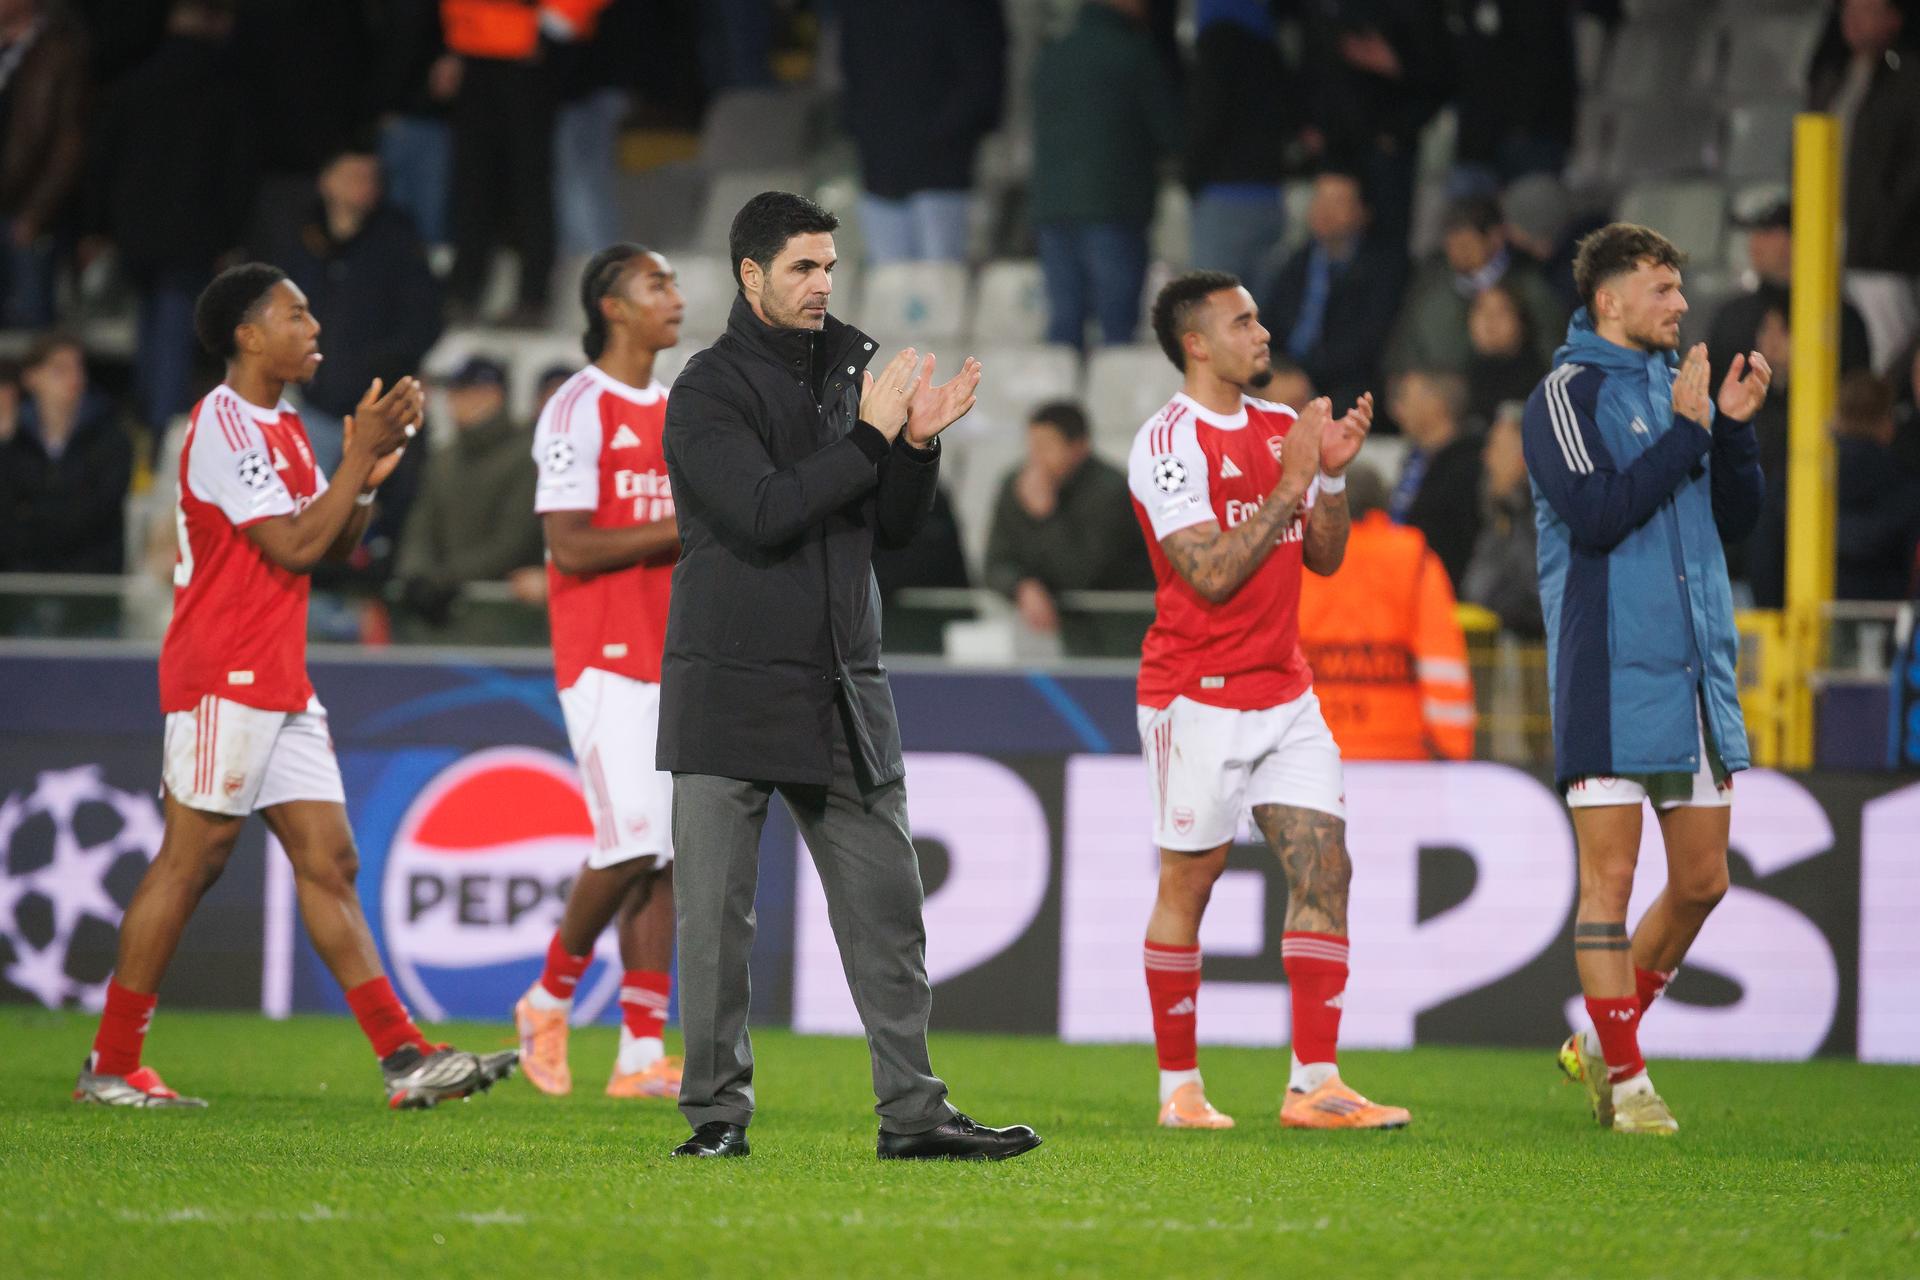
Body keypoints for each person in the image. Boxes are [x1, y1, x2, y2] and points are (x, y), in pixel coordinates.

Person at [75, 263, 517, 1109]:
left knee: (331, 861)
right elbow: (292, 545)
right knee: (191, 861)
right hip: (224, 671)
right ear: (249, 335)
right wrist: (354, 457)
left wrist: (367, 472)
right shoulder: (221, 424)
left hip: (277, 675)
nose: (315, 328)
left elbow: (332, 537)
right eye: (297, 314)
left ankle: (404, 1057)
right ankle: (111, 1064)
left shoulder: (280, 428)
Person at [658, 191, 1039, 1161]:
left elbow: (894, 529)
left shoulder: (854, 368)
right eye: (803, 267)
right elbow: (761, 511)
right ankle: (715, 1115)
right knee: (715, 922)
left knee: (889, 910)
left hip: (840, 683)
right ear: (751, 274)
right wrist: (871, 439)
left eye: (829, 266)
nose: (823, 283)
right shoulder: (705, 390)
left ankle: (913, 1114)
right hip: (731, 680)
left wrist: (915, 447)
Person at [1127, 268, 1409, 1132]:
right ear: (1196, 344)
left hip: (1285, 692)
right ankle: (1180, 1088)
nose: (1263, 334)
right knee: (1191, 882)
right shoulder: (1166, 444)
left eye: (1259, 319)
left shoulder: (1283, 428)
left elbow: (1324, 556)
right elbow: (1209, 574)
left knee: (1327, 864)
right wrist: (1292, 481)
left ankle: (1314, 1083)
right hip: (1195, 697)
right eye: (1242, 323)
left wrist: (1331, 480)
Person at [1521, 223, 1769, 1135]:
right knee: (1612, 878)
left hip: (1694, 671)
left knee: (1702, 881)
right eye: (1661, 288)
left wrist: (1730, 431)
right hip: (1609, 670)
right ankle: (1627, 1085)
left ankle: (1598, 1039)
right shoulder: (1564, 397)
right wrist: (1688, 433)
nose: (1680, 303)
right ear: (1609, 300)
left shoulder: (1680, 390)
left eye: (1678, 286)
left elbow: (1736, 519)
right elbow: (1595, 515)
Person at [512, 244, 689, 1100]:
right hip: (604, 657)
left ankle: (639, 1054)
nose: (675, 296)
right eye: (657, 284)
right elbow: (570, 546)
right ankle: (547, 1000)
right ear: (612, 308)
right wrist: (688, 526)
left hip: (674, 655)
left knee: (664, 857)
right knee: (629, 845)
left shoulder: (676, 409)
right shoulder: (575, 407)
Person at [84, 0, 254, 433]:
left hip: (136, 232)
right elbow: (236, 170)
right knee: (175, 335)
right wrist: (230, 238)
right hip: (192, 236)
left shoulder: (136, 81)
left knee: (151, 328)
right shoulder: (223, 87)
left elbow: (103, 158)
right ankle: (161, 433)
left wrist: (99, 225)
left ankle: (147, 421)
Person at [266, 143, 445, 476]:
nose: (365, 185)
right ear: (327, 181)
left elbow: (424, 318)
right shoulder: (301, 240)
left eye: (371, 177)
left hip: (377, 412)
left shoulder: (397, 242)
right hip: (313, 406)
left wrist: (382, 367)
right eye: (354, 176)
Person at [1029, 0, 1181, 348]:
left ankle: (1064, 387)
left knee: (1063, 331)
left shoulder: (1054, 53)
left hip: (1052, 209)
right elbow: (1171, 132)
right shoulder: (1136, 52)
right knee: (1117, 333)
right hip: (1114, 207)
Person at [1298, 464, 1475, 760]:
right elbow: (1442, 657)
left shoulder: (1297, 555)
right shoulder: (1414, 559)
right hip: (1400, 752)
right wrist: (1452, 749)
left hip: (1309, 747)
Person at [838, 0, 1005, 265]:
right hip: (895, 166)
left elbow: (982, 82)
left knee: (935, 275)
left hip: (933, 167)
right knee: (902, 278)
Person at [1809, 0, 1920, 370]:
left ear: (1894, 18)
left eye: (1867, 10)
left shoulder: (1909, 80)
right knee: (1830, 346)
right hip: (1827, 233)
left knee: (1887, 353)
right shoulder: (1834, 77)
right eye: (1849, 11)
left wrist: (1883, 222)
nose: (1854, 20)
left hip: (1883, 251)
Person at [392, 355, 545, 621]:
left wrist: (443, 578)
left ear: (494, 395)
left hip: (507, 610)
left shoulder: (527, 455)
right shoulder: (443, 458)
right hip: (443, 609)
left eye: (465, 392)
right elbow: (420, 526)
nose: (455, 401)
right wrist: (416, 574)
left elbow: (513, 542)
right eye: (454, 393)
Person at [983, 399, 1153, 635]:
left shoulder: (1111, 492)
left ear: (1078, 447)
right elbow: (995, 563)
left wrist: (1045, 518)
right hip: (1061, 632)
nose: (1036, 458)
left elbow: (1081, 575)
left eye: (1046, 447)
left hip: (1122, 630)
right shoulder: (1017, 485)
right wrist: (1021, 586)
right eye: (1032, 446)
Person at [1260, 169, 1406, 417]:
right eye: (1319, 198)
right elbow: (1269, 325)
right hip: (1288, 375)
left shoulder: (1384, 269)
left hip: (1347, 382)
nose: (1324, 210)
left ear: (1363, 212)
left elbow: (1369, 344)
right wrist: (1278, 370)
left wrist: (1306, 376)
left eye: (1337, 201)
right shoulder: (1295, 261)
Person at [1386, 194, 1563, 378]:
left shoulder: (1529, 285)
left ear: (1495, 237)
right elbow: (1404, 345)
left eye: (1465, 245)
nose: (1456, 254)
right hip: (1437, 387)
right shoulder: (1431, 281)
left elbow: (1552, 352)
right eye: (1450, 245)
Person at [0, 333, 132, 573]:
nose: (74, 378)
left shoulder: (110, 437)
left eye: (78, 368)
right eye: (60, 369)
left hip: (91, 578)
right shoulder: (13, 442)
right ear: (31, 377)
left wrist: (30, 511)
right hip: (21, 577)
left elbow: (98, 513)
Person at [1709, 197, 1871, 388]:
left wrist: (1800, 365)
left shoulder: (1837, 317)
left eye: (1767, 232)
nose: (1754, 241)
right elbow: (1714, 386)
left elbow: (1858, 390)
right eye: (1752, 232)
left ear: (1795, 240)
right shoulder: (1733, 315)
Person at [1185, 0, 1293, 287]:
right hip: (1270, 195)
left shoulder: (1216, 42)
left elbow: (1209, 116)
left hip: (1223, 198)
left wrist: (1192, 174)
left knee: (1214, 305)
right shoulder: (1270, 45)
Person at [0, 0, 87, 329]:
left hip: (25, 214)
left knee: (29, 324)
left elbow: (68, 143)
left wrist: (36, 213)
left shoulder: (58, 51)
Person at [1386, 369, 1482, 588]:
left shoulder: (1466, 468)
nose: (1396, 410)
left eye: (1405, 399)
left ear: (1436, 405)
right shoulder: (1415, 459)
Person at [1831, 371, 1920, 599]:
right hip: (1887, 614)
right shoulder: (1906, 488)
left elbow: (1767, 558)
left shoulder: (1801, 483)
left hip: (1805, 612)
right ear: (1887, 423)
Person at [1458, 402, 1542, 636]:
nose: (1486, 457)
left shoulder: (1542, 521)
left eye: (1496, 447)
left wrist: (1494, 609)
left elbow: (1538, 595)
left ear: (1525, 458)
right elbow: (1474, 586)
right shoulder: (1500, 513)